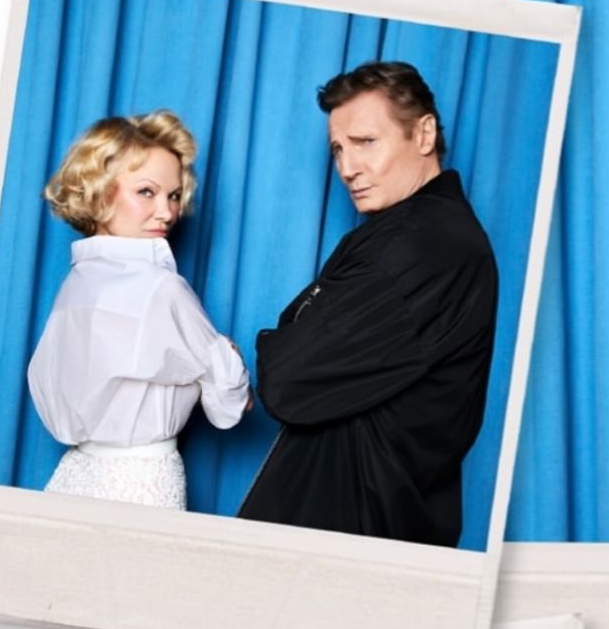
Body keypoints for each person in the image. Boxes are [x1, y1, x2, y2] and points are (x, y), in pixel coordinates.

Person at [237, 61, 498, 545]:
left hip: (352, 533)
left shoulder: (424, 244)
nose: (347, 168)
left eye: (365, 142)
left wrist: (278, 337)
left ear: (424, 134)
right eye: (338, 149)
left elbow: (285, 380)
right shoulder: (412, 234)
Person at [28, 111, 251, 509]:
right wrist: (227, 356)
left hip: (73, 475)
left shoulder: (75, 284)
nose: (167, 212)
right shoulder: (162, 288)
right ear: (99, 192)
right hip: (144, 480)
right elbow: (230, 407)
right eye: (147, 192)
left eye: (174, 195)